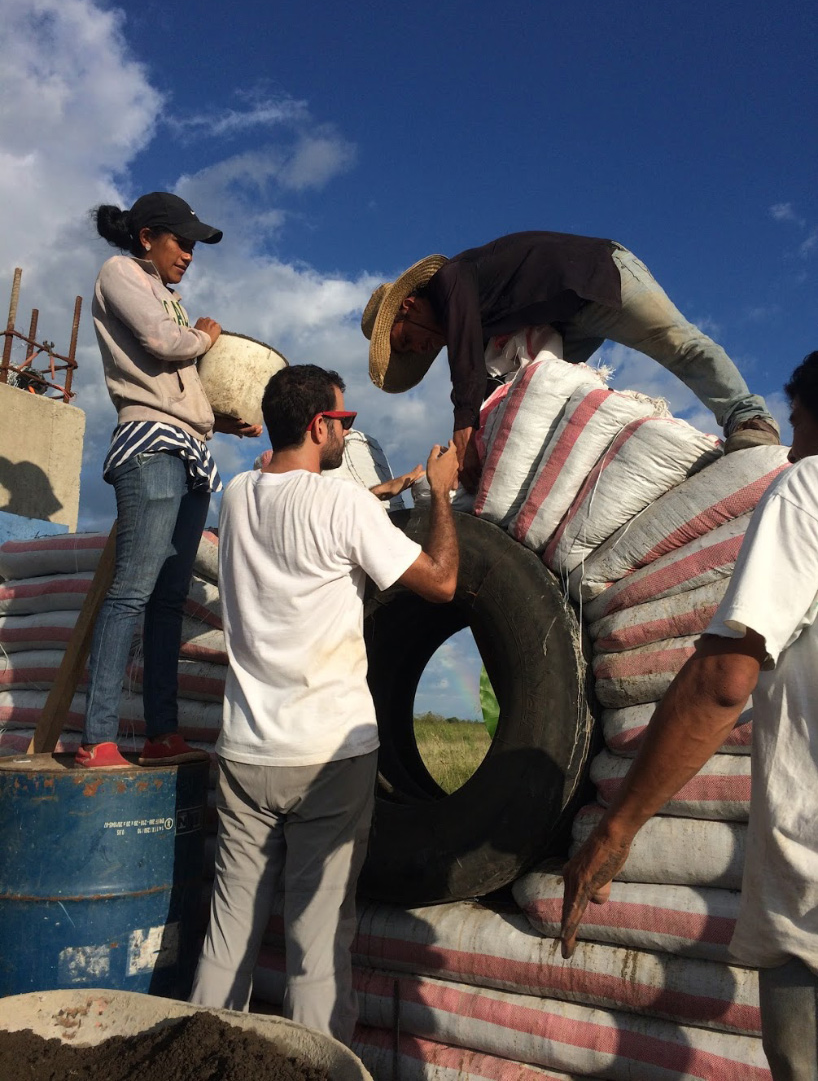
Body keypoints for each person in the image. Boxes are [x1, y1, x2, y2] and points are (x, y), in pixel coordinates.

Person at [561, 349, 818, 1080]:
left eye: (801, 427)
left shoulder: (808, 489)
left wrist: (615, 829)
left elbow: (723, 679)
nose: (790, 450)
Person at [190, 364, 460, 1043]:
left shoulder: (238, 496)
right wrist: (439, 494)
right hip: (329, 759)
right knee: (316, 944)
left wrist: (383, 491)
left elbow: (293, 501)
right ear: (318, 426)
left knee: (228, 934)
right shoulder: (344, 507)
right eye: (344, 421)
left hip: (246, 752)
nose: (348, 431)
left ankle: (198, 1051)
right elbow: (441, 582)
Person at [361, 232, 780, 490]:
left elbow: (466, 365)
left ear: (408, 307)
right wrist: (467, 456)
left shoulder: (450, 280)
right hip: (566, 322)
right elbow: (487, 390)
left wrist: (465, 436)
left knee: (675, 342)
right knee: (527, 400)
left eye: (406, 341)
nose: (419, 350)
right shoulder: (473, 326)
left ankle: (749, 418)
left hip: (596, 278)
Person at [77, 192, 262, 770]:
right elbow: (161, 345)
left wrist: (220, 421)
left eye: (193, 246)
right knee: (132, 590)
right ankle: (97, 739)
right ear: (146, 238)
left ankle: (161, 732)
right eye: (181, 242)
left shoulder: (171, 299)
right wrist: (206, 337)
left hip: (190, 449)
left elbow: (177, 382)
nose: (188, 254)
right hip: (151, 446)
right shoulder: (121, 273)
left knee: (167, 598)